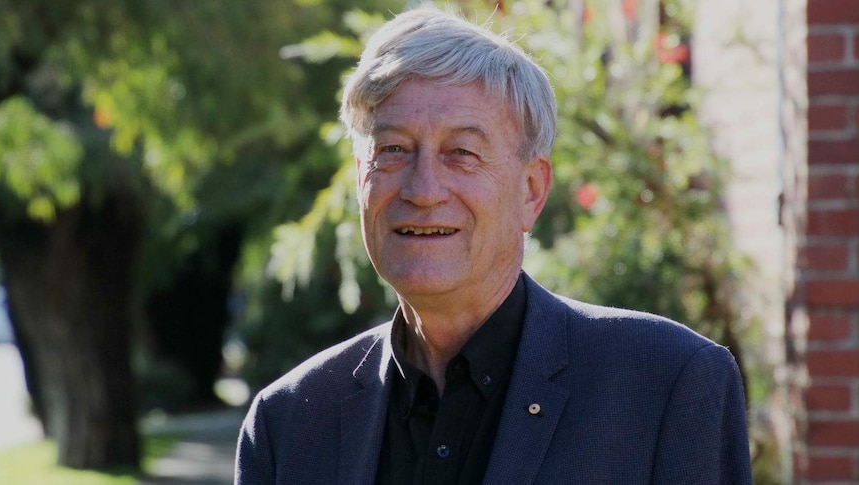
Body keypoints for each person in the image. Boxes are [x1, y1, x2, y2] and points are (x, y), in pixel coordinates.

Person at [235, 7, 752, 485]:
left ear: (531, 190)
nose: (422, 190)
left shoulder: (666, 386)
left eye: (461, 153)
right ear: (359, 180)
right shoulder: (290, 423)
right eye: (393, 150)